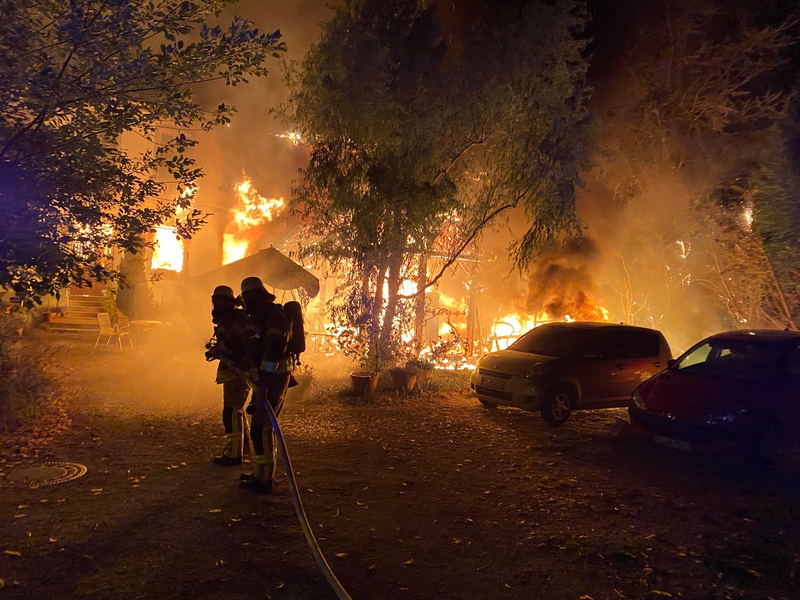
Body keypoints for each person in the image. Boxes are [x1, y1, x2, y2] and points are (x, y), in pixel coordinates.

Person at [238, 276, 294, 493]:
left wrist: (263, 385)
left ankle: (266, 479)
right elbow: (253, 349)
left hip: (275, 377)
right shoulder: (257, 317)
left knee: (263, 426)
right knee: (257, 427)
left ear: (260, 296)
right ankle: (258, 473)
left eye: (250, 296)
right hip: (263, 378)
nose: (247, 301)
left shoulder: (275, 317)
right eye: (245, 297)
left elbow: (273, 353)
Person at [206, 285, 255, 466]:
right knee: (236, 410)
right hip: (232, 369)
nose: (217, 304)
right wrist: (215, 351)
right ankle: (243, 447)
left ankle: (234, 454)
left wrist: (220, 349)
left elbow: (236, 342)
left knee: (231, 411)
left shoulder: (239, 317)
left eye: (221, 301)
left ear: (228, 301)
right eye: (215, 301)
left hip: (240, 370)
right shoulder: (227, 318)